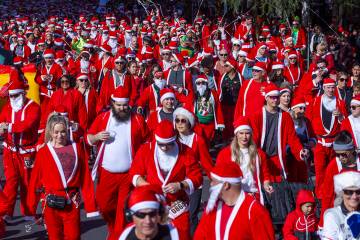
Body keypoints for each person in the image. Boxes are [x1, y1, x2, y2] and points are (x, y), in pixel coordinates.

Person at [86, 86, 148, 239]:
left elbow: (148, 143)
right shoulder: (103, 118)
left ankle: (117, 235)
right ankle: (113, 227)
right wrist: (97, 137)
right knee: (104, 206)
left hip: (128, 175)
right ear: (113, 103)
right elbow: (89, 139)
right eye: (118, 104)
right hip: (107, 173)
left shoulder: (138, 120)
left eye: (124, 105)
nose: (121, 108)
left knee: (122, 210)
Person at [27, 113, 98, 240]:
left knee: (74, 236)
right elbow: (35, 181)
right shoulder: (43, 152)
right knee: (55, 237)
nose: (60, 135)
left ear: (67, 130)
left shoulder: (77, 148)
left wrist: (90, 206)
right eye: (56, 132)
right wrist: (31, 207)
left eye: (63, 132)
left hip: (72, 202)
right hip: (51, 204)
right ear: (50, 131)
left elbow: (85, 179)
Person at [129, 120, 203, 239]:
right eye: (161, 144)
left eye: (168, 144)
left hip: (178, 204)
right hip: (153, 204)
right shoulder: (146, 149)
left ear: (174, 139)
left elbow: (197, 177)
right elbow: (134, 174)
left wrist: (181, 185)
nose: (164, 147)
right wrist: (147, 186)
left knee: (181, 236)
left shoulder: (186, 151)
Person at [194, 161, 275, 239]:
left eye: (214, 181)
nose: (210, 184)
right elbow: (200, 236)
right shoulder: (212, 207)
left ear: (226, 185)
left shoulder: (255, 211)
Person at [250, 85, 309, 184]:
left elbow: (292, 138)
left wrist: (300, 151)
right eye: (272, 97)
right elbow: (254, 139)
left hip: (278, 158)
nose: (275, 99)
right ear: (266, 98)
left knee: (278, 190)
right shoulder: (257, 116)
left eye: (277, 97)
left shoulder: (285, 116)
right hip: (261, 157)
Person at [0, 80, 40, 218]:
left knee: (27, 183)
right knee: (11, 181)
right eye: (11, 96)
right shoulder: (7, 108)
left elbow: (27, 125)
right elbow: (1, 124)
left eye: (16, 95)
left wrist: (8, 127)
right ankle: (4, 212)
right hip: (10, 150)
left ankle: (28, 212)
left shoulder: (33, 107)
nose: (13, 99)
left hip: (27, 152)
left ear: (23, 94)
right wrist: (1, 130)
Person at [173, 106, 214, 234]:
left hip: (194, 184)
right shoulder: (172, 139)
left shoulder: (198, 140)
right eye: (177, 120)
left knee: (191, 215)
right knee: (176, 216)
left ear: (189, 122)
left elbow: (207, 163)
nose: (180, 123)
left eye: (183, 121)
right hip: (176, 185)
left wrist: (216, 180)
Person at [307, 78, 348, 196]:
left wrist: (340, 116)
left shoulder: (340, 102)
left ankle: (332, 193)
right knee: (319, 171)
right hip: (320, 142)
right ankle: (320, 195)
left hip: (334, 143)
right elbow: (309, 120)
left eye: (332, 87)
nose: (330, 90)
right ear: (323, 88)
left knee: (333, 169)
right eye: (328, 87)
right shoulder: (316, 101)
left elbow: (345, 124)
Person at [216, 116, 270, 203]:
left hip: (253, 195)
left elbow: (265, 174)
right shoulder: (224, 154)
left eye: (247, 133)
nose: (244, 137)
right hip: (233, 196)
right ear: (236, 134)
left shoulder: (259, 154)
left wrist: (267, 184)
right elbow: (218, 175)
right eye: (241, 133)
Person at [319, 130, 360, 228]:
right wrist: (323, 223)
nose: (340, 158)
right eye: (337, 154)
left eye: (344, 154)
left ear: (351, 150)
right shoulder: (334, 165)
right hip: (342, 210)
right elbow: (327, 195)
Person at [119, 185, 186, 240]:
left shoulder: (178, 236)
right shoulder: (121, 237)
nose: (148, 221)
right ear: (130, 216)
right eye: (141, 215)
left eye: (152, 214)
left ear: (159, 213)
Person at [322, 171, 360, 240]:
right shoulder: (332, 216)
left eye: (358, 192)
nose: (354, 196)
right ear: (342, 194)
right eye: (349, 192)